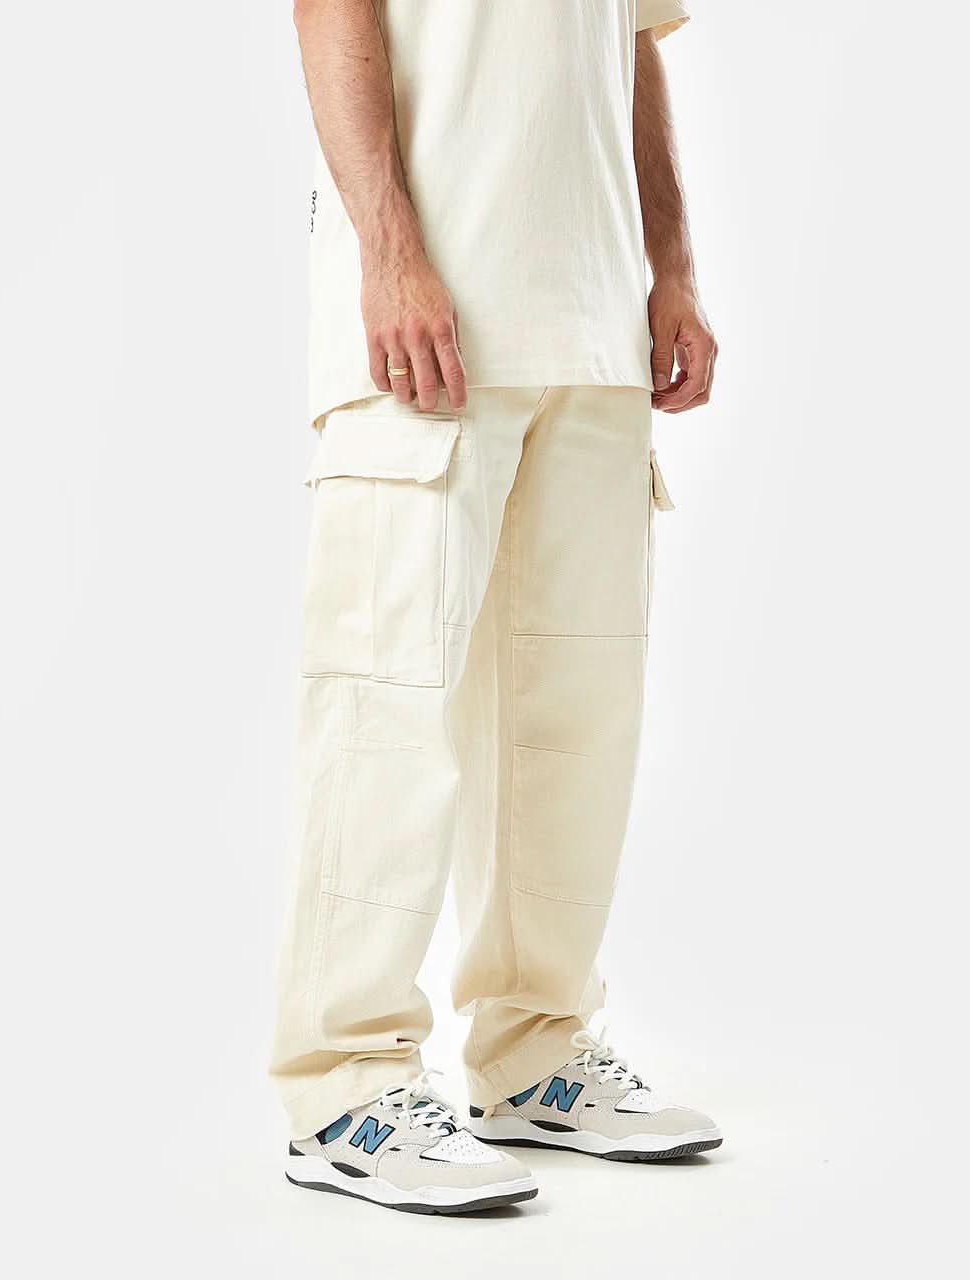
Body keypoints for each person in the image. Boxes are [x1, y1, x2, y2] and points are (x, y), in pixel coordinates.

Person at [272, 0, 721, 1215]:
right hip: (424, 325)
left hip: (594, 325)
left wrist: (671, 265)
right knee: (384, 709)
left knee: (571, 725)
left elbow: (633, 46)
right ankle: (343, 1083)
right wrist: (387, 250)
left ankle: (534, 1048)